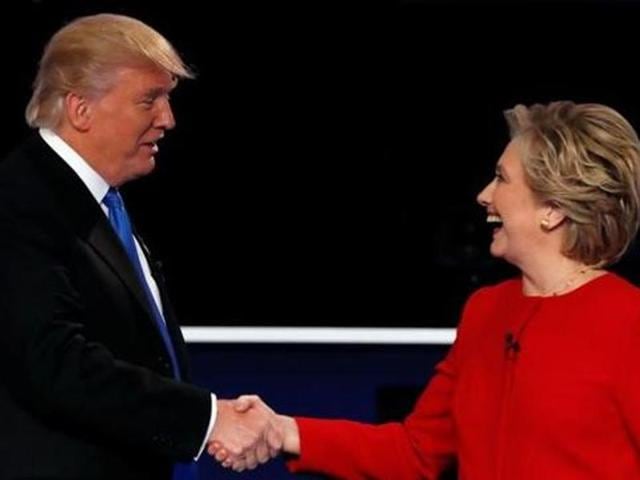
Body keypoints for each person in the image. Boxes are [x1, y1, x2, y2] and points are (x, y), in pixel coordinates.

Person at [214, 101, 640, 478]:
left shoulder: (628, 321)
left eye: (502, 179)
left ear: (552, 210)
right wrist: (283, 430)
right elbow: (417, 451)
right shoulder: (486, 310)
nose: (484, 195)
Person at [0, 13, 281, 480]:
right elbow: (53, 361)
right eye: (149, 100)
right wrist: (208, 420)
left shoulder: (99, 203)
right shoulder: (18, 202)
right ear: (80, 109)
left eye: (167, 99)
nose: (168, 119)